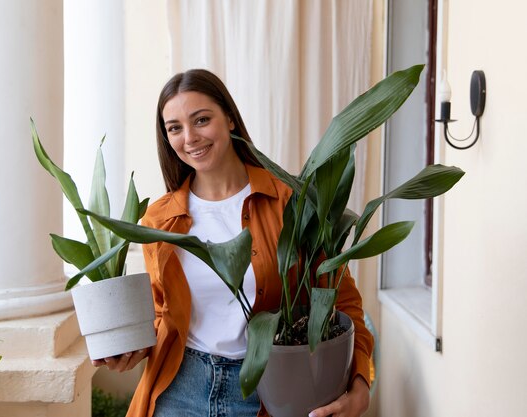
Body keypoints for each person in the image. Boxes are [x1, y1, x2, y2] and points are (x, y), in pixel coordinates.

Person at [92, 69, 374, 417]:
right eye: (175, 128)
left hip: (271, 392)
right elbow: (162, 313)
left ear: (230, 119)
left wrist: (361, 383)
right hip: (181, 391)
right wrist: (129, 349)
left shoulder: (290, 203)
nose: (190, 137)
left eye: (202, 120)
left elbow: (343, 302)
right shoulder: (159, 221)